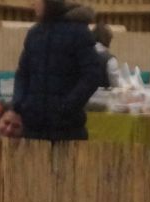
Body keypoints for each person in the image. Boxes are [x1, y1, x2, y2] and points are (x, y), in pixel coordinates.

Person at [13, 0, 100, 141]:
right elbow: (22, 73)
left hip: (67, 128)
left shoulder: (79, 33)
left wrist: (67, 106)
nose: (33, 4)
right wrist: (20, 103)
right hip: (34, 127)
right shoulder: (34, 34)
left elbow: (92, 75)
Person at [93, 22, 119, 88]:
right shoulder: (110, 59)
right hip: (104, 93)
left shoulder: (83, 54)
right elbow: (115, 83)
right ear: (108, 40)